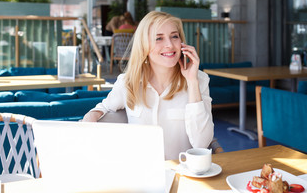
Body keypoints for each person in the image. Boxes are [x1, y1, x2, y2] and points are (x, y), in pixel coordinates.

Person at [83, 11, 214, 160]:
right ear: (144, 45)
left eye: (174, 36)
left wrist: (192, 82)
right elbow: (105, 107)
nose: (169, 45)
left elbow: (202, 144)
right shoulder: (129, 81)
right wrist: (91, 116)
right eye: (159, 38)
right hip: (140, 175)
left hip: (183, 174)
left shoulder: (199, 80)